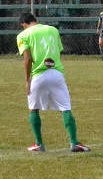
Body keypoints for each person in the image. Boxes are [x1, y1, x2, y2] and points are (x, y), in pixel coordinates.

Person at [16, 12, 90, 153]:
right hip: (56, 73)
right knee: (65, 108)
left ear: (23, 24)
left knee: (34, 108)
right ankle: (74, 142)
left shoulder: (23, 35)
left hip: (38, 75)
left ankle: (39, 144)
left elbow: (28, 58)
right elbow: (58, 50)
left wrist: (27, 80)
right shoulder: (53, 30)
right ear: (36, 20)